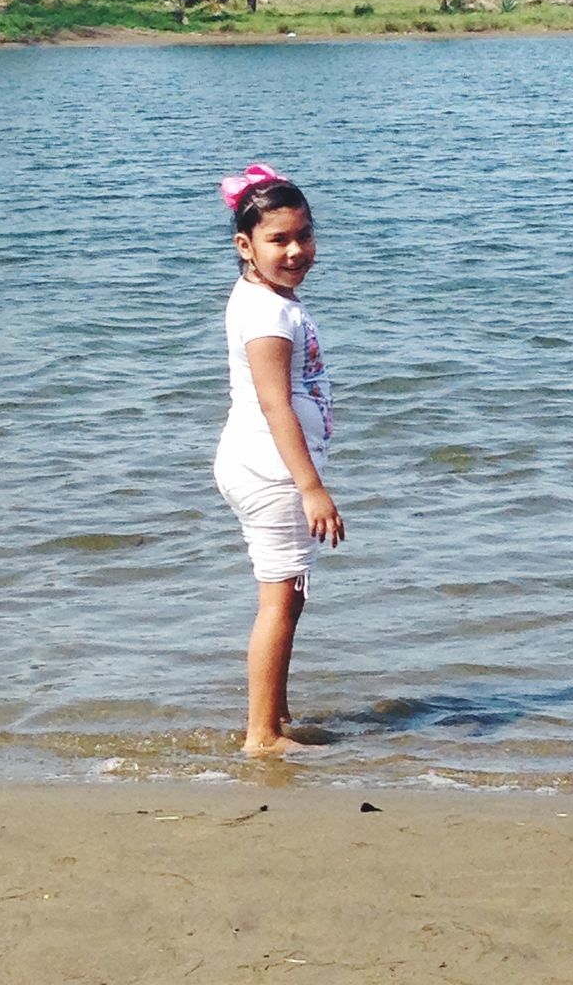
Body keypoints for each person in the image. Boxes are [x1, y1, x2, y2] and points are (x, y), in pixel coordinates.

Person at [214, 163, 345, 755]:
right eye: (278, 240)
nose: (296, 251)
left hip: (259, 462)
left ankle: (277, 713)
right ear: (245, 246)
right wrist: (311, 487)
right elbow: (275, 405)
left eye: (304, 236)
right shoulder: (270, 314)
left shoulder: (263, 298)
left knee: (286, 593)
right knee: (281, 599)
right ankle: (262, 736)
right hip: (272, 468)